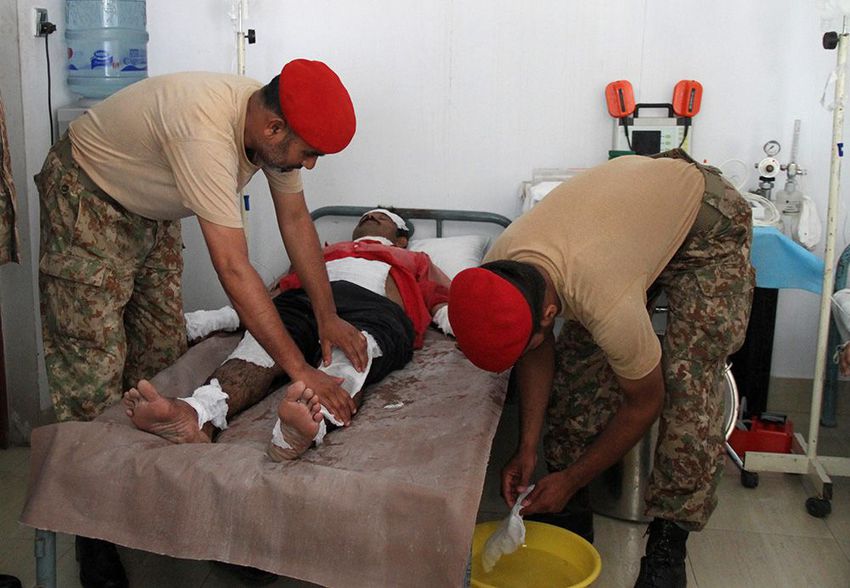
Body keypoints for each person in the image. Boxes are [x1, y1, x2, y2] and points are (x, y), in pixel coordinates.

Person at [35, 59, 365, 588]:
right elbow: (235, 267)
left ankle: (152, 513)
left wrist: (327, 317)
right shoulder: (205, 134)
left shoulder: (271, 130)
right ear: (274, 129)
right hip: (88, 196)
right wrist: (302, 371)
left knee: (160, 362)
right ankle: (93, 544)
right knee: (92, 374)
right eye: (309, 154)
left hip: (150, 210)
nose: (310, 165)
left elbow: (297, 221)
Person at [448, 149, 755, 588]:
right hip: (632, 222)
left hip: (707, 222)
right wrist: (527, 448)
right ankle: (569, 516)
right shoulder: (503, 266)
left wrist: (574, 477)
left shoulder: (601, 297)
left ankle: (669, 543)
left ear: (550, 310)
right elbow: (535, 350)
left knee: (688, 388)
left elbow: (644, 403)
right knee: (577, 388)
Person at [123, 208, 453, 461]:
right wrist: (221, 319)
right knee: (260, 345)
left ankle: (305, 427)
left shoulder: (414, 258)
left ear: (401, 238)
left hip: (375, 308)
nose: (370, 216)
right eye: (367, 215)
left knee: (351, 356)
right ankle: (198, 413)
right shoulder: (321, 252)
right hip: (308, 300)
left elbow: (444, 301)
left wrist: (463, 327)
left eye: (381, 218)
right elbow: (267, 301)